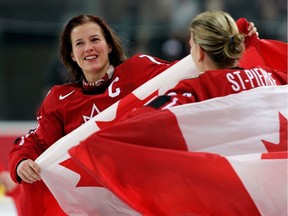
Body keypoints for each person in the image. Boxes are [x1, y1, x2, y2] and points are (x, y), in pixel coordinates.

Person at [8, 14, 259, 215]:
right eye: (79, 43)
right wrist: (21, 162)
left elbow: (192, 70)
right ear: (71, 55)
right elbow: (34, 142)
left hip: (144, 198)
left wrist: (234, 44)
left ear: (108, 44)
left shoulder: (139, 70)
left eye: (95, 39)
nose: (89, 48)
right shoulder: (59, 99)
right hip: (94, 207)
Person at [145, 11, 287, 109]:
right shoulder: (269, 77)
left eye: (191, 47)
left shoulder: (196, 90)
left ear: (200, 52)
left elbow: (149, 118)